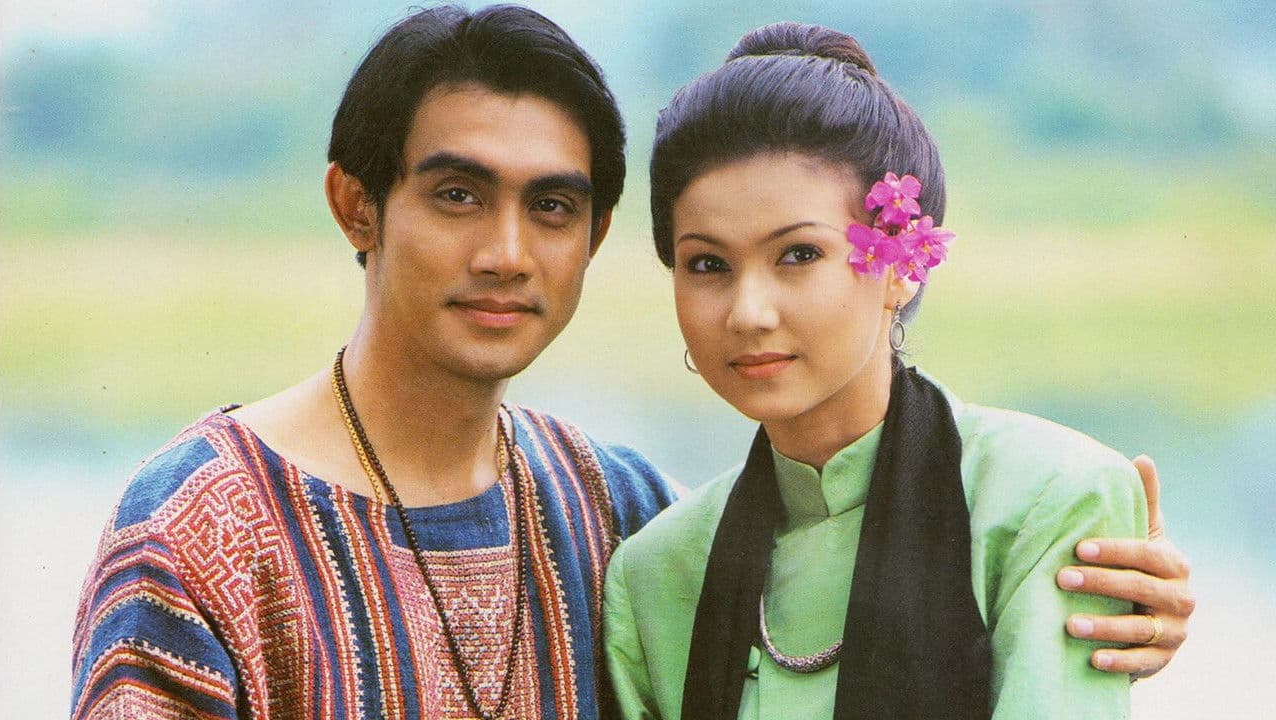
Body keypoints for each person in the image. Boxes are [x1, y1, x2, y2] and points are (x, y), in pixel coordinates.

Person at [70, 6, 1190, 720]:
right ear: (355, 204)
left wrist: (1116, 606)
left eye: (552, 207)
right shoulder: (201, 529)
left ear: (595, 237)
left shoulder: (607, 509)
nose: (507, 253)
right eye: (457, 194)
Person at [603, 22, 1192, 720]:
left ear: (901, 265)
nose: (747, 312)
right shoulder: (655, 572)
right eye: (708, 264)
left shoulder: (1046, 502)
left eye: (798, 254)